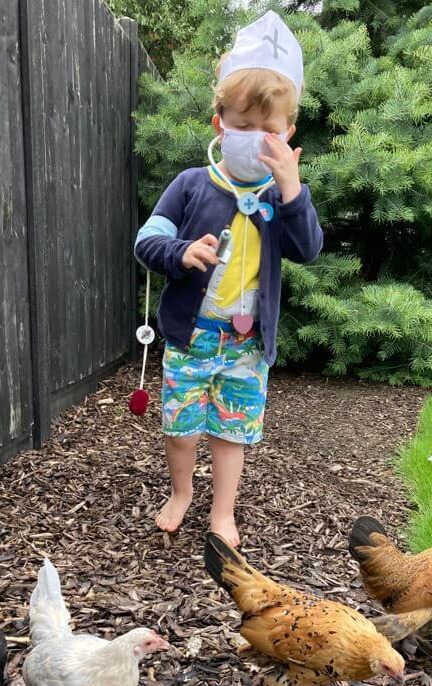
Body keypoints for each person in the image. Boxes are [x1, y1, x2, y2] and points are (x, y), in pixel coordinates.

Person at [134, 11, 323, 546]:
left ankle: (222, 511)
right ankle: (180, 493)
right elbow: (146, 241)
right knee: (181, 427)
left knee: (230, 432)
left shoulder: (281, 196)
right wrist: (180, 252)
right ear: (220, 124)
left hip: (245, 343)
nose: (255, 137)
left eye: (270, 129)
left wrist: (292, 191)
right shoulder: (193, 184)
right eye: (243, 126)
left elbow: (308, 249)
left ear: (288, 132)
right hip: (192, 336)